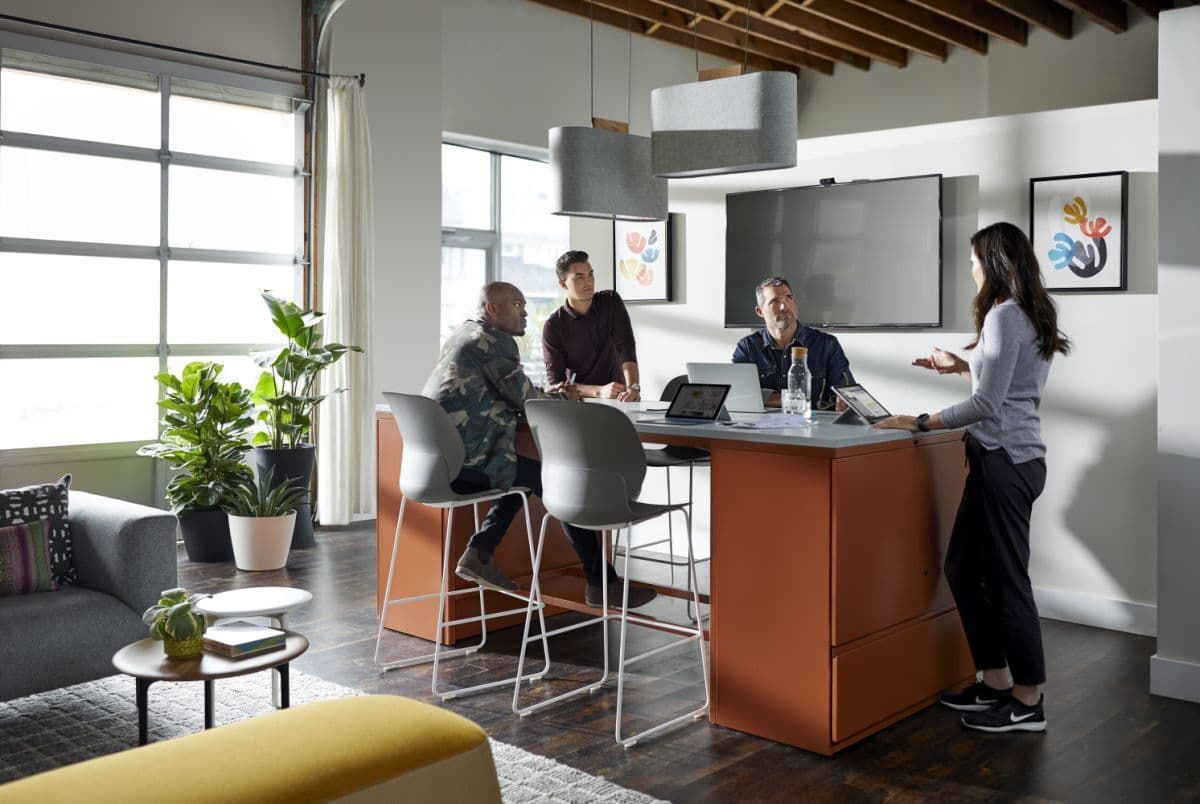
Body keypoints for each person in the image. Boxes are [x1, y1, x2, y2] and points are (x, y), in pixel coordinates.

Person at [873, 221, 1070, 734]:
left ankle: (1028, 702)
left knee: (1007, 582)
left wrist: (917, 420)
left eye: (975, 260)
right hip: (1002, 460)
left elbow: (987, 405)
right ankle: (996, 681)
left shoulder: (1005, 315)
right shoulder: (1025, 312)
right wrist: (961, 364)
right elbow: (1007, 384)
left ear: (995, 263)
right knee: (962, 567)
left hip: (1006, 461)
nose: (972, 268)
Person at [424, 281, 656, 609]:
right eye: (517, 305)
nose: (525, 312)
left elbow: (505, 390)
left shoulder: (464, 334)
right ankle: (601, 583)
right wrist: (568, 394)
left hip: (440, 463)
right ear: (492, 309)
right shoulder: (493, 341)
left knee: (528, 476)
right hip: (470, 462)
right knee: (557, 481)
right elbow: (528, 401)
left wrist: (554, 392)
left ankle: (481, 552)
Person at [731, 276, 854, 410]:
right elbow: (738, 394)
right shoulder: (747, 348)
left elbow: (846, 394)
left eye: (788, 298)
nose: (784, 307)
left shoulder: (827, 345)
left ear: (795, 303)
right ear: (760, 311)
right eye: (775, 301)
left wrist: (844, 404)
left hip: (814, 426)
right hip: (763, 428)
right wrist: (789, 400)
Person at [542, 250, 641, 402]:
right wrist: (599, 391)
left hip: (620, 400)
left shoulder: (610, 301)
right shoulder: (554, 325)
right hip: (579, 406)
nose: (588, 282)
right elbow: (557, 383)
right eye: (579, 277)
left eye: (590, 274)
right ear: (563, 284)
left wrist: (633, 388)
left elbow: (626, 348)